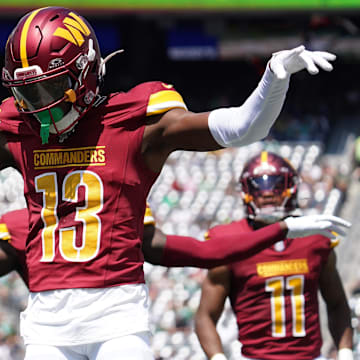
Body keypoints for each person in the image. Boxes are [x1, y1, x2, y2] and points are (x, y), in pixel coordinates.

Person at [0, 6, 349, 360]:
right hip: (46, 322)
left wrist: (274, 77)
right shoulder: (16, 128)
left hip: (116, 318)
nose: (41, 108)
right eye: (29, 93)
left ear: (84, 72)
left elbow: (244, 127)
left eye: (51, 88)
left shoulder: (133, 122)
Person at [193, 152, 353, 360]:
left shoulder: (315, 238)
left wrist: (345, 353)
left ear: (291, 187)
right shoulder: (230, 241)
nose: (267, 193)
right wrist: (218, 357)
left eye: (275, 184)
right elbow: (205, 315)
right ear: (246, 191)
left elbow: (337, 302)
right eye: (257, 186)